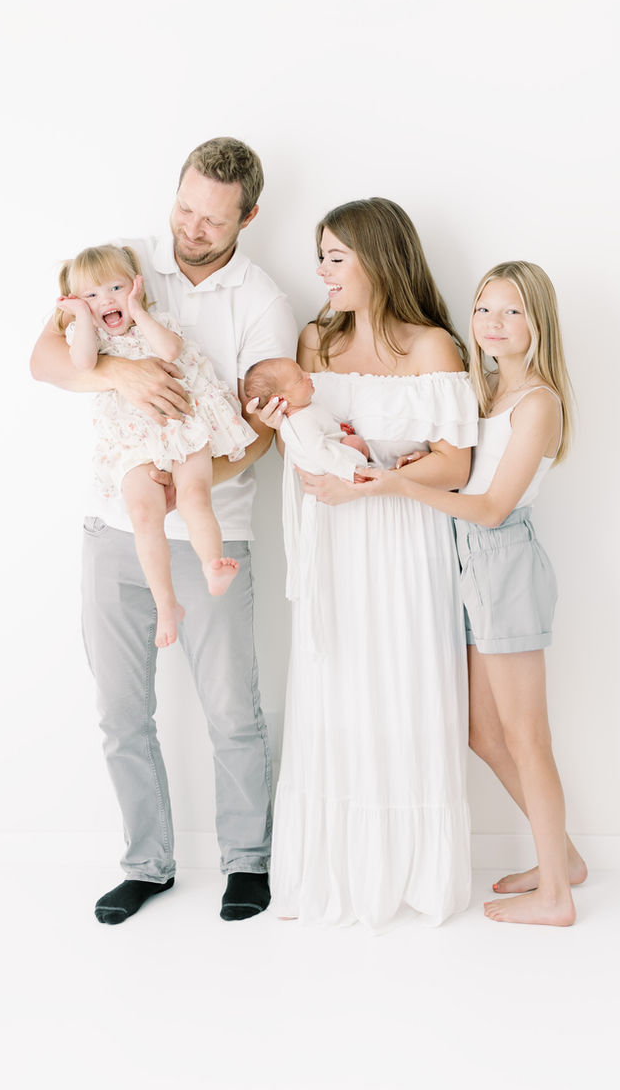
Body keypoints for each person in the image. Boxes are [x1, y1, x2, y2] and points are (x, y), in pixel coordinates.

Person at [30, 137, 298, 924]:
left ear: (249, 215)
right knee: (121, 712)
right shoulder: (121, 261)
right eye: (185, 207)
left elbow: (261, 431)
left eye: (214, 219)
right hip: (113, 524)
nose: (193, 227)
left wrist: (184, 484)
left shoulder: (264, 302)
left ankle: (248, 861)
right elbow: (44, 355)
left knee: (231, 710)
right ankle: (146, 863)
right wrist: (118, 371)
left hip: (215, 526)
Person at [250, 198, 478, 930]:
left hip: (406, 546)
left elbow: (455, 465)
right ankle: (336, 871)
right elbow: (299, 442)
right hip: (336, 546)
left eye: (335, 257)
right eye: (321, 256)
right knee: (337, 690)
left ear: (379, 258)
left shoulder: (434, 348)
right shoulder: (314, 341)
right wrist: (304, 435)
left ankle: (413, 867)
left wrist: (378, 478)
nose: (321, 271)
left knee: (407, 688)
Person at [361, 261, 584, 926]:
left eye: (511, 310)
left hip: (503, 564)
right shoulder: (484, 395)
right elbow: (462, 480)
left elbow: (489, 507)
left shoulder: (538, 401)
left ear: (537, 321)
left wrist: (404, 487)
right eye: (484, 308)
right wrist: (410, 467)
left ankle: (556, 896)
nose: (493, 322)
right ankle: (561, 858)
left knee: (526, 737)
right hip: (465, 564)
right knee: (483, 730)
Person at [56, 244, 257, 648]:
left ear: (134, 286)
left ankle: (211, 563)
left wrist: (139, 311)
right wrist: (80, 316)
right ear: (78, 302)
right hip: (132, 439)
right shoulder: (88, 335)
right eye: (91, 295)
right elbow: (81, 363)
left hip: (182, 424)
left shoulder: (156, 319)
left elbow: (169, 351)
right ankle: (167, 604)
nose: (106, 300)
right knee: (144, 514)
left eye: (115, 287)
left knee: (195, 494)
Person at [242, 356, 371, 474]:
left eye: (302, 371)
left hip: (334, 456)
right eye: (299, 379)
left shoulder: (307, 409)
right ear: (281, 400)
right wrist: (349, 472)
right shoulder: (301, 421)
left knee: (353, 441)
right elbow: (318, 453)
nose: (308, 375)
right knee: (354, 442)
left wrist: (339, 431)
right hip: (331, 467)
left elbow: (325, 431)